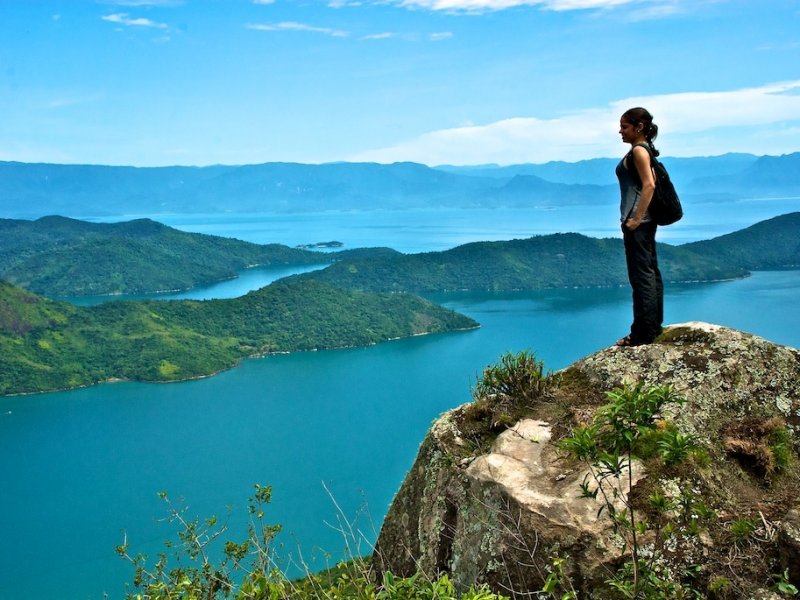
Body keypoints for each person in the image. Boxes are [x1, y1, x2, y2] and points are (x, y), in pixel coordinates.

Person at [615, 107, 663, 347]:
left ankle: (642, 334)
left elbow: (650, 186)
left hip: (639, 224)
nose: (620, 131)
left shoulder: (638, 152)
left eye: (625, 127)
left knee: (641, 277)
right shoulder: (643, 150)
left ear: (639, 127)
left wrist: (634, 219)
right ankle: (651, 328)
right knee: (649, 273)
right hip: (644, 223)